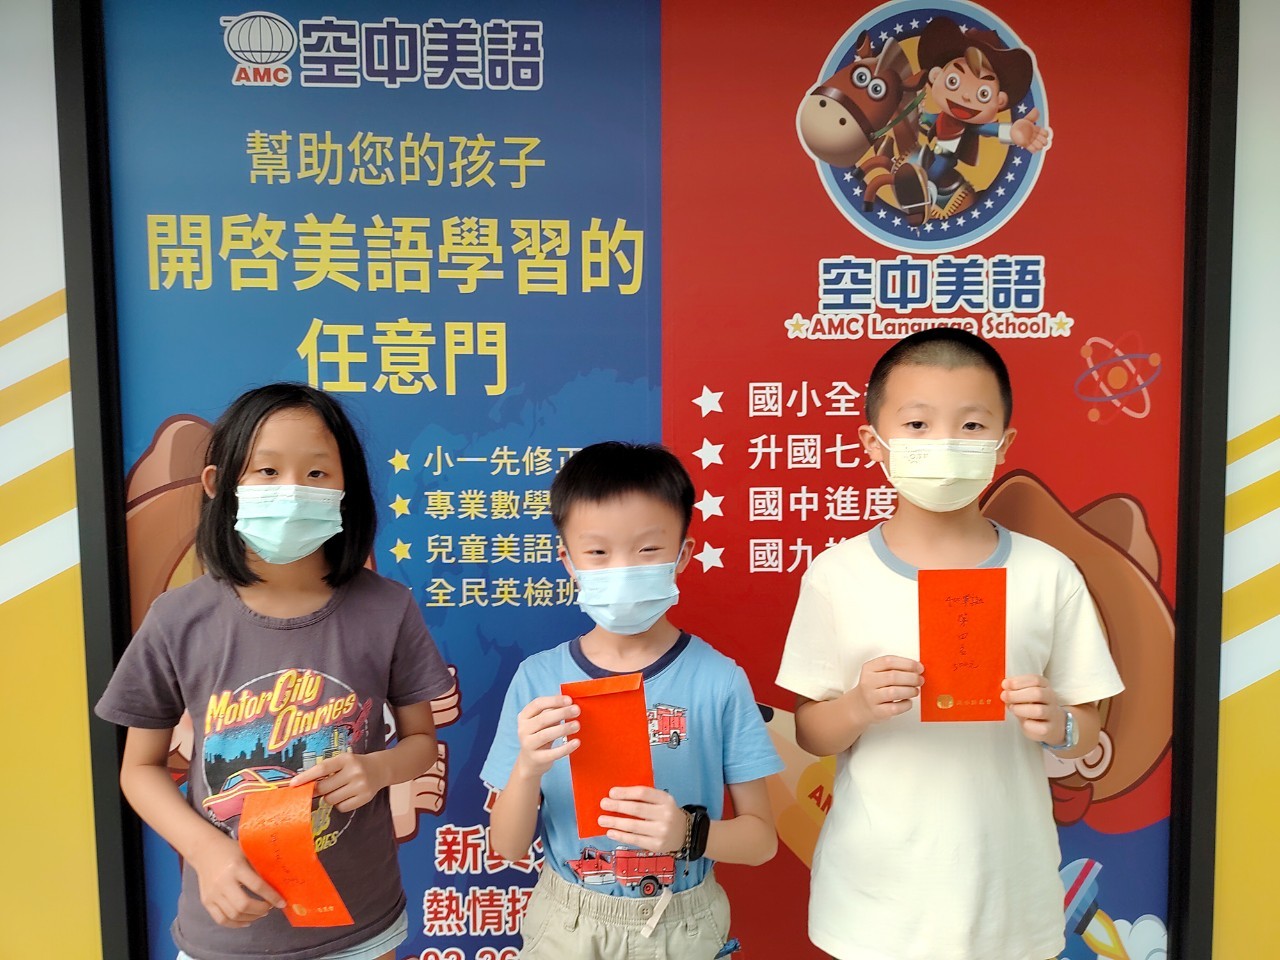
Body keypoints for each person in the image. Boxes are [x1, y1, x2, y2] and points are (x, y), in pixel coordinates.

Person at [776, 329, 1124, 960]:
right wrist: (857, 706)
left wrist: (1060, 726)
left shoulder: (1048, 573)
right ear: (874, 442)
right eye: (917, 423)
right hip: (874, 900)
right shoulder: (837, 574)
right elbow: (810, 732)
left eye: (970, 425)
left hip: (1009, 897)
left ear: (1002, 443)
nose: (943, 443)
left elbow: (1087, 726)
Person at [96, 383, 455, 960]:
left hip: (360, 928)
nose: (291, 489)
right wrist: (206, 851)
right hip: (226, 933)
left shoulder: (388, 608)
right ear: (218, 485)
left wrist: (378, 768)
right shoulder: (177, 618)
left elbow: (420, 743)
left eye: (316, 473)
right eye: (266, 470)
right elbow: (139, 769)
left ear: (345, 490)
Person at [482, 442, 782, 959]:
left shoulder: (719, 680)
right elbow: (507, 847)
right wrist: (528, 768)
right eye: (598, 553)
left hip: (683, 924)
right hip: (568, 923)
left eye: (647, 551)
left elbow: (761, 842)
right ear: (568, 560)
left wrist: (688, 834)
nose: (621, 569)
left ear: (683, 554)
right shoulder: (538, 678)